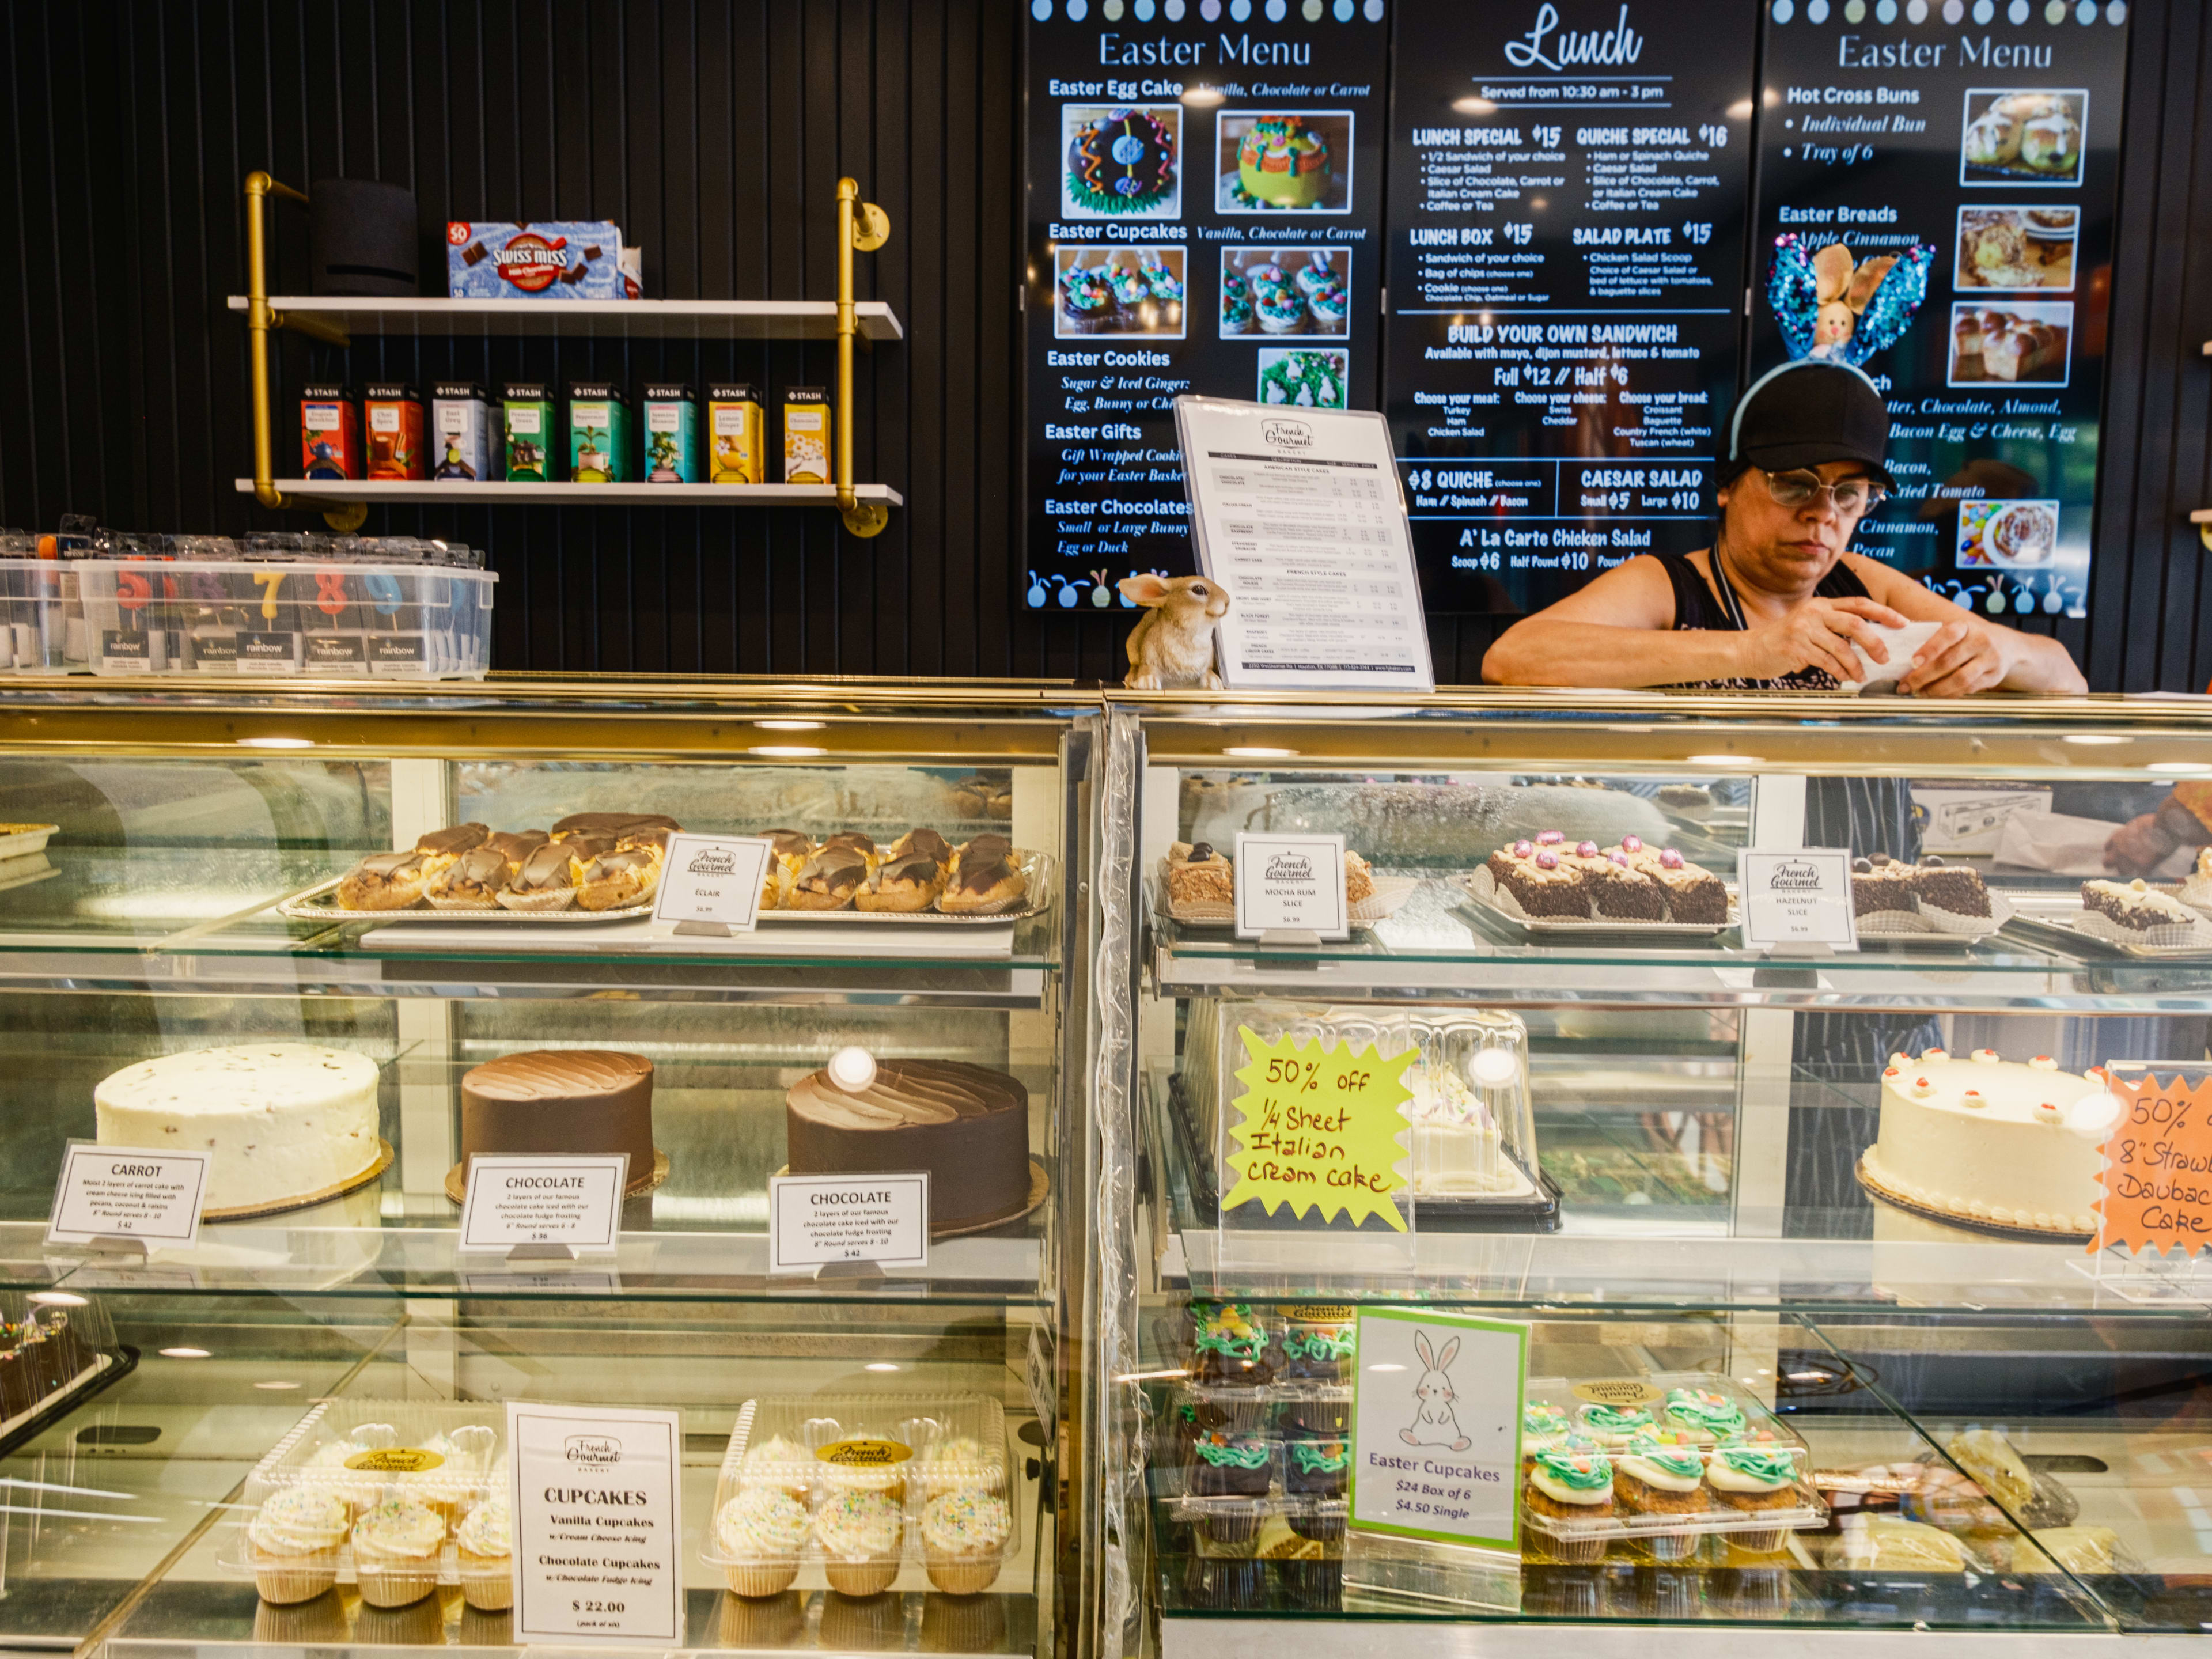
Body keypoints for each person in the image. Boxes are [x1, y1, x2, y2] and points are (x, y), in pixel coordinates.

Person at [1481, 361, 2086, 695]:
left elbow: (2066, 682)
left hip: (1864, 876)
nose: (1823, 513)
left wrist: (2002, 651)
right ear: (1727, 484)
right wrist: (1749, 650)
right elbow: (1515, 657)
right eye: (1794, 483)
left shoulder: (1869, 587)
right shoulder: (1668, 586)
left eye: (1849, 495)